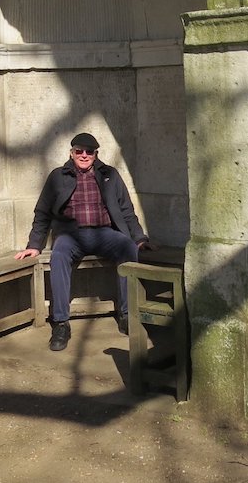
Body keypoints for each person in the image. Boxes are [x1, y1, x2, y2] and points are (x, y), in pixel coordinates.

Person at [15, 132, 151, 351]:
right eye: (79, 151)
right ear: (72, 153)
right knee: (58, 255)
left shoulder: (110, 175)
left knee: (128, 248)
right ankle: (61, 323)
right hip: (71, 236)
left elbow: (126, 211)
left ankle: (126, 314)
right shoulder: (58, 176)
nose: (84, 155)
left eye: (90, 152)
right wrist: (34, 245)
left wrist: (139, 238)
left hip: (105, 233)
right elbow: (42, 213)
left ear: (96, 154)